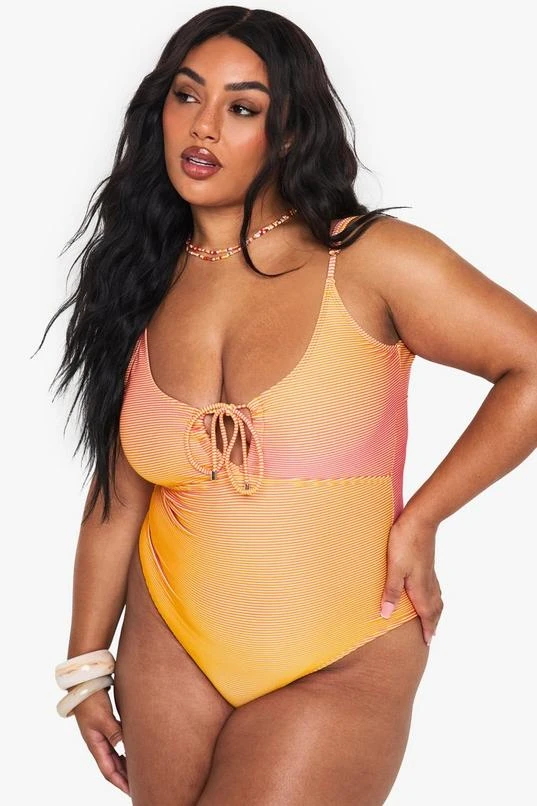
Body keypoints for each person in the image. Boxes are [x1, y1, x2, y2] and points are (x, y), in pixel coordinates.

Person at [44, 6, 537, 805]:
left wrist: (422, 518)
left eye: (241, 108)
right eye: (186, 95)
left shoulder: (368, 259)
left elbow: (530, 365)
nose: (203, 127)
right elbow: (118, 498)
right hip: (170, 649)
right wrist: (86, 664)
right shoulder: (137, 282)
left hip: (342, 648)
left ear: (287, 135)